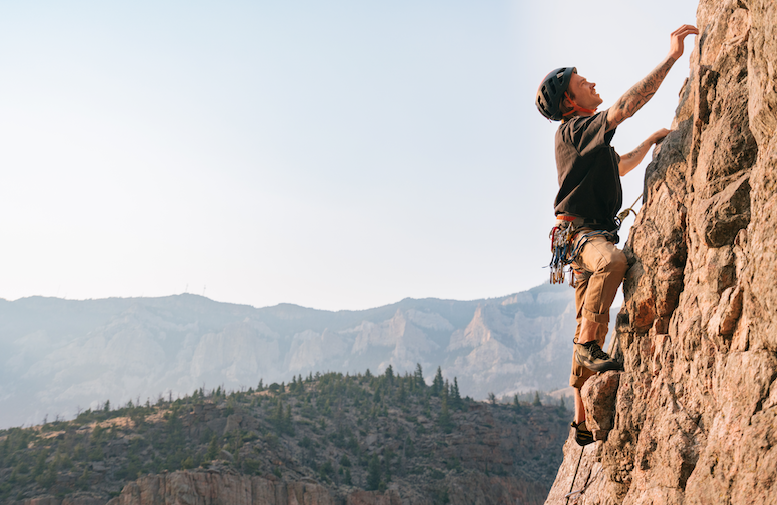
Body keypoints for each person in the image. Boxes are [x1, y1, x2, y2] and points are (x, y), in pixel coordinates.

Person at [536, 25, 698, 446]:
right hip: (584, 237)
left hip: (579, 237)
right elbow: (626, 105)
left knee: (581, 319)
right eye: (580, 82)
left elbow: (619, 165)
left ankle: (582, 419)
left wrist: (651, 143)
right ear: (570, 101)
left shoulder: (587, 141)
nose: (590, 82)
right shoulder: (573, 131)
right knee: (613, 263)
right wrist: (672, 58)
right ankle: (591, 347)